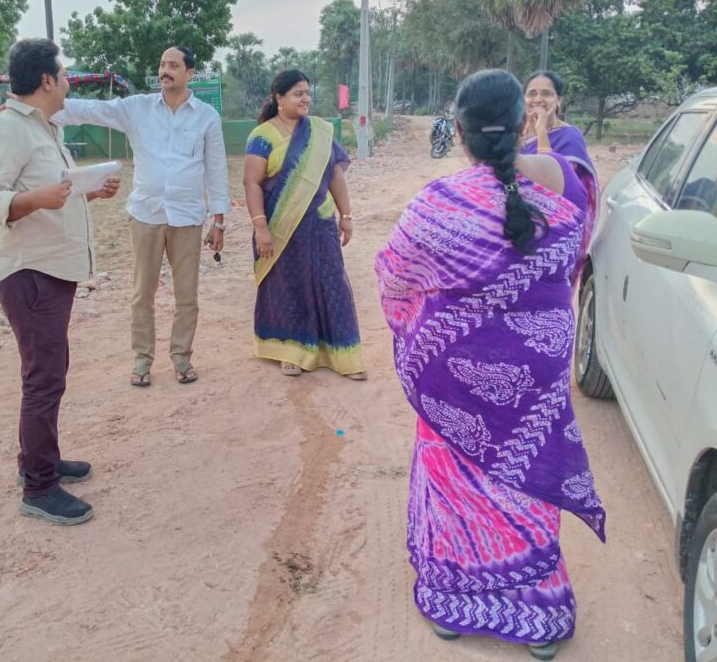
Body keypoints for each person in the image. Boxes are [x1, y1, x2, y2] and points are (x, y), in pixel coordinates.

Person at [375, 69, 606, 660]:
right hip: (538, 368)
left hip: (454, 373)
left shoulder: (437, 205)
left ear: (458, 131)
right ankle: (540, 616)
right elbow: (576, 256)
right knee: (524, 475)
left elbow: (394, 282)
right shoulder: (566, 180)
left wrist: (420, 328)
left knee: (455, 476)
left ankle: (455, 604)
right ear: (526, 122)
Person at [0, 38, 120, 526]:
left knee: (50, 371)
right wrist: (38, 198)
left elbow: (52, 190)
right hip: (29, 270)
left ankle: (39, 460)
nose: (68, 83)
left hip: (52, 267)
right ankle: (38, 487)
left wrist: (88, 191)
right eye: (64, 75)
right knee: (43, 378)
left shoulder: (45, 128)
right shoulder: (7, 129)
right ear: (46, 80)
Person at [52, 46, 230, 387]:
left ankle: (182, 358)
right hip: (146, 214)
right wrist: (33, 109)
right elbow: (89, 110)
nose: (165, 71)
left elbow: (216, 170)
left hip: (187, 217)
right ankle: (142, 359)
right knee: (142, 294)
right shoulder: (137, 108)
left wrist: (218, 221)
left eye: (173, 65)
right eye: (162, 64)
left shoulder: (207, 117)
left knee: (187, 296)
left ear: (189, 73)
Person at [243, 70, 366, 380]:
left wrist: (346, 215)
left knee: (332, 283)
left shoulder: (320, 132)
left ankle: (342, 354)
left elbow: (335, 175)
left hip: (320, 223)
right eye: (298, 93)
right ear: (279, 98)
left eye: (307, 93)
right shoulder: (262, 136)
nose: (305, 99)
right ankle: (290, 352)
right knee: (288, 287)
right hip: (281, 227)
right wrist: (260, 228)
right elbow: (252, 183)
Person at [522, 70, 599, 275]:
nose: (538, 99)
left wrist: (541, 132)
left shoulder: (569, 137)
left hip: (554, 229)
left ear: (559, 100)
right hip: (519, 224)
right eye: (532, 93)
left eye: (546, 93)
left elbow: (556, 185)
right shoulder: (518, 134)